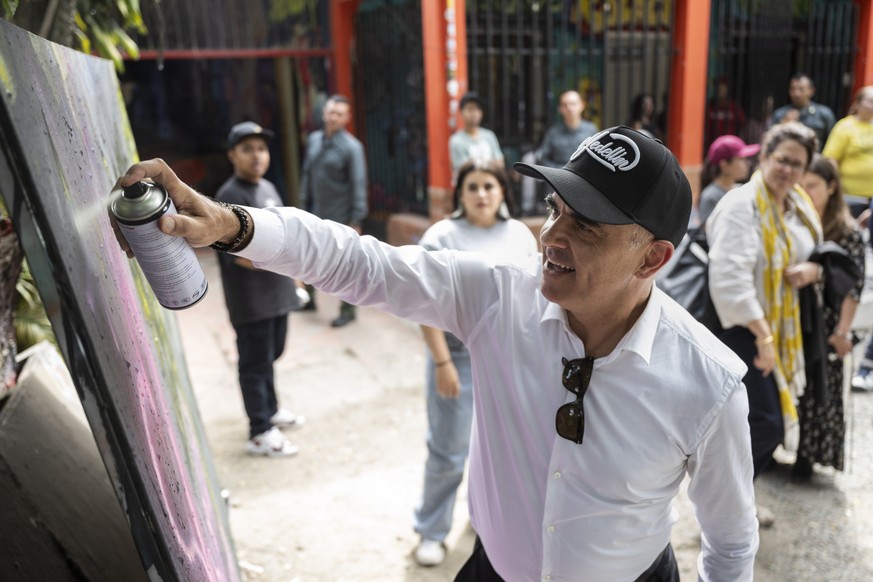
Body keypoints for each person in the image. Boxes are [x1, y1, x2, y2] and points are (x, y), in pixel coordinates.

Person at [112, 125, 759, 580]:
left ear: (652, 257)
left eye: (584, 225)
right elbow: (363, 263)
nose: (549, 238)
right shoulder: (498, 299)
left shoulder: (708, 385)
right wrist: (235, 224)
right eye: (554, 208)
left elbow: (729, 544)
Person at [413, 161, 538, 567]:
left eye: (489, 186)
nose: (482, 194)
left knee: (499, 448)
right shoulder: (442, 235)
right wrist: (443, 362)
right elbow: (423, 302)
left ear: (503, 192)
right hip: (458, 356)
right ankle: (431, 530)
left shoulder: (519, 234)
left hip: (508, 355)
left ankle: (483, 519)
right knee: (449, 449)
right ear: (460, 194)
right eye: (473, 187)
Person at [707, 122, 822, 526]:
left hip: (778, 326)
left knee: (756, 425)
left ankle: (739, 502)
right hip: (745, 329)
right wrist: (765, 337)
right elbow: (730, 281)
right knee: (764, 423)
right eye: (782, 159)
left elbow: (812, 248)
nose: (788, 169)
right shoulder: (744, 206)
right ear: (765, 158)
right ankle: (724, 507)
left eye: (798, 163)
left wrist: (812, 270)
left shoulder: (797, 202)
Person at [215, 121, 305, 457]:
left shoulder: (268, 187)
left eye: (262, 149)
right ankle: (259, 430)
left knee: (272, 354)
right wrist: (280, 261)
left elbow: (284, 237)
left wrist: (294, 275)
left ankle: (271, 409)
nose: (257, 156)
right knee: (254, 363)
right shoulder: (228, 197)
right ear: (232, 155)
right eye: (248, 149)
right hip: (251, 300)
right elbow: (236, 253)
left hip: (278, 294)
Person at [794, 154, 864, 479]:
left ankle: (809, 456)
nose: (807, 191)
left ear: (831, 187)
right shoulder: (800, 220)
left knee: (823, 387)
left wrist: (843, 331)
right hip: (798, 316)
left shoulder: (846, 229)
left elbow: (853, 286)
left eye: (814, 185)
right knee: (800, 384)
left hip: (829, 320)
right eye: (803, 185)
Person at [299, 94, 368, 327]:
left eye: (339, 114)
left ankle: (348, 309)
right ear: (323, 113)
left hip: (341, 216)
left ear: (347, 118)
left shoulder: (352, 148)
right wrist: (302, 205)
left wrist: (356, 219)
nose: (332, 117)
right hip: (315, 211)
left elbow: (358, 184)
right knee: (308, 256)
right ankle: (309, 299)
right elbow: (307, 175)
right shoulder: (315, 140)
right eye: (330, 112)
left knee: (344, 266)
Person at [822, 85, 873, 218]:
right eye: (870, 101)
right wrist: (836, 186)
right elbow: (831, 158)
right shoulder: (845, 126)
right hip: (850, 197)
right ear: (857, 104)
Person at [697, 135, 760, 225]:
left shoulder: (740, 189)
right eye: (741, 159)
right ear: (725, 165)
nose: (747, 163)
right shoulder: (711, 197)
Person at [771, 73, 836, 152]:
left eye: (801, 89)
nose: (796, 93)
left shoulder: (824, 114)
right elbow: (770, 141)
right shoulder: (780, 114)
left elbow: (833, 142)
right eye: (793, 89)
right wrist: (783, 125)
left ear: (811, 91)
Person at [536, 90, 599, 169]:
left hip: (584, 176)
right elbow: (542, 158)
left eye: (573, 104)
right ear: (560, 109)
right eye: (564, 105)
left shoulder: (591, 129)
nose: (569, 108)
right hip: (558, 176)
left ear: (582, 105)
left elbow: (597, 157)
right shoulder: (553, 132)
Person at [449, 92, 504, 175]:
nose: (474, 113)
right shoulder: (456, 140)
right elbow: (461, 169)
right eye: (470, 109)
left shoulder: (489, 136)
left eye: (477, 109)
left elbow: (500, 163)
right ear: (461, 113)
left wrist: (475, 163)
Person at [704, 77, 747, 152]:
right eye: (717, 87)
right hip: (711, 147)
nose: (719, 89)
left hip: (729, 149)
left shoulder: (733, 107)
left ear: (727, 89)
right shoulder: (709, 107)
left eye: (722, 87)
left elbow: (743, 125)